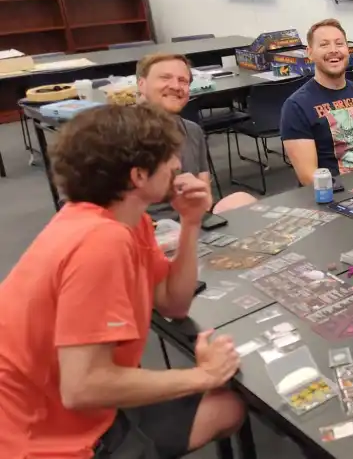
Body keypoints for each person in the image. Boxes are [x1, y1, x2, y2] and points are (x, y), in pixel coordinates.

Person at [0, 104, 245, 458]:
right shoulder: (100, 242)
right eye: (168, 157)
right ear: (138, 176)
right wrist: (203, 376)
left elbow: (173, 304)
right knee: (218, 395)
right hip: (45, 441)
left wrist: (191, 222)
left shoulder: (127, 220)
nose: (178, 164)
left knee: (229, 409)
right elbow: (82, 387)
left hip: (87, 408)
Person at [135, 52, 258, 215]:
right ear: (141, 84)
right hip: (149, 227)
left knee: (243, 201)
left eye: (183, 81)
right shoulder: (123, 134)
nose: (175, 86)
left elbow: (204, 194)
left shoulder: (192, 130)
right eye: (165, 78)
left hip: (192, 218)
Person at [281, 18, 353, 185]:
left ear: (347, 50)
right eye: (324, 45)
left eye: (339, 44)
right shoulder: (296, 106)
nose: (333, 50)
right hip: (336, 194)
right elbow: (308, 177)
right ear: (310, 52)